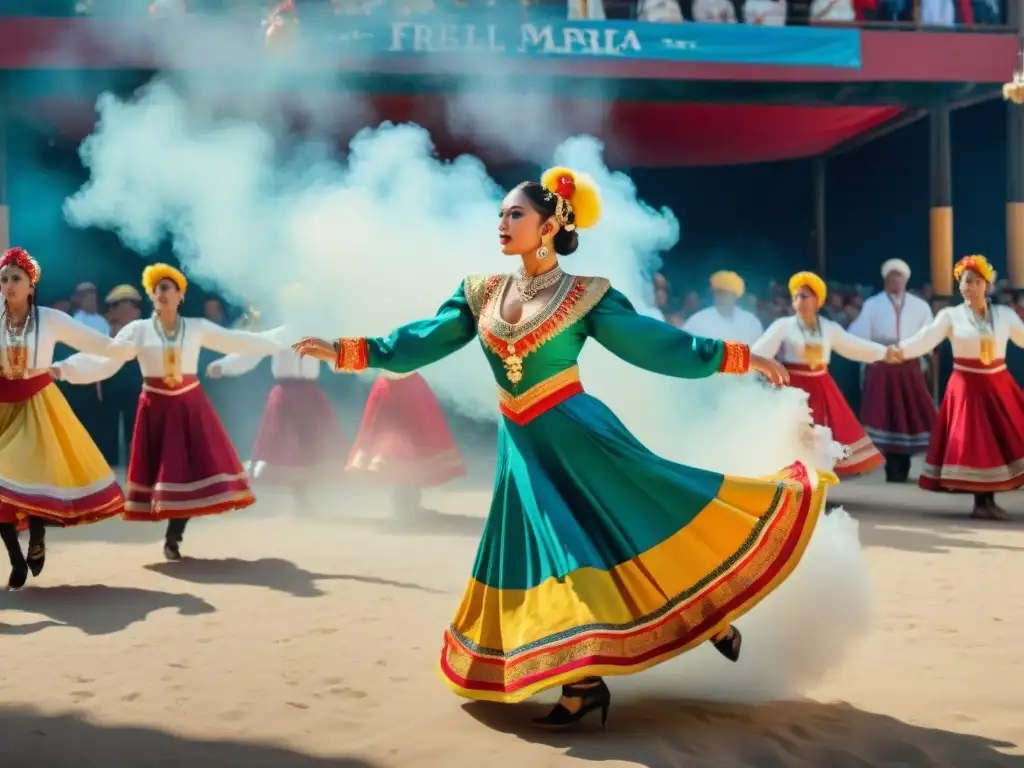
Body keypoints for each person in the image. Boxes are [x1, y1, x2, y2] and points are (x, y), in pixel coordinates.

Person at [293, 166, 836, 728]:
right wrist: (349, 351)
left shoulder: (586, 295)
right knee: (561, 554)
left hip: (580, 435)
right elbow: (421, 341)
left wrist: (738, 357)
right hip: (523, 448)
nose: (502, 222)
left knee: (624, 528)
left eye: (515, 214)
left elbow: (656, 346)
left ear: (548, 225)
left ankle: (676, 626)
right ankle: (590, 676)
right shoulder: (479, 292)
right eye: (500, 214)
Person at [55, 263, 285, 560]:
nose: (161, 293)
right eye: (156, 288)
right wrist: (64, 368)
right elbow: (108, 357)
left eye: (167, 287)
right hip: (157, 408)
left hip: (190, 407)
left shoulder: (196, 328)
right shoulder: (138, 330)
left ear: (180, 295)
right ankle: (173, 534)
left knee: (188, 473)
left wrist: (286, 340)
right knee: (169, 474)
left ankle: (174, 536)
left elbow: (240, 341)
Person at [0, 248, 134, 589]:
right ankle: (15, 558)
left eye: (16, 278)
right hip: (2, 405)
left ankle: (38, 536)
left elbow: (102, 346)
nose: (9, 284)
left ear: (32, 284)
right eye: (4, 279)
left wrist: (136, 342)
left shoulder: (50, 319)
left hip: (36, 405)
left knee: (27, 477)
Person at [896, 255, 1024, 520]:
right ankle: (982, 502)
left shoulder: (1004, 315)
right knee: (978, 443)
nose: (970, 287)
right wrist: (896, 352)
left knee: (1003, 440)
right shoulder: (951, 316)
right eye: (966, 282)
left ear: (987, 285)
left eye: (976, 282)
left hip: (998, 383)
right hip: (967, 387)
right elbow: (925, 339)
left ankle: (988, 500)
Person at [752, 271, 897, 477]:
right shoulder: (783, 326)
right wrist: (738, 361)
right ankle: (793, 481)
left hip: (820, 387)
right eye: (795, 297)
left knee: (822, 436)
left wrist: (884, 352)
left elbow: (853, 346)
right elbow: (760, 350)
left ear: (817, 300)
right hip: (792, 389)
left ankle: (816, 482)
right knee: (791, 435)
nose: (798, 301)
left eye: (804, 296)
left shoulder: (829, 328)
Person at [206, 298, 347, 493]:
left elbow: (336, 356)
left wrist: (360, 362)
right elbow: (252, 350)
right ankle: (295, 496)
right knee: (285, 445)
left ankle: (303, 495)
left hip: (310, 396)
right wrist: (223, 366)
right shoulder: (281, 334)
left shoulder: (317, 335)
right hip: (287, 397)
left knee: (310, 445)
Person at [848, 259, 936, 483]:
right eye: (890, 278)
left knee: (907, 414)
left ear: (905, 280)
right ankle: (892, 466)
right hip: (882, 367)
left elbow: (930, 335)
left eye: (898, 277)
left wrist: (908, 349)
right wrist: (878, 350)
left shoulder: (920, 306)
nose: (894, 281)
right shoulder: (873, 304)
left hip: (909, 366)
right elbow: (857, 333)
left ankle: (902, 463)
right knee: (884, 414)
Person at [346, 370, 467, 514]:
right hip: (403, 387)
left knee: (411, 445)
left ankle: (406, 501)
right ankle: (405, 503)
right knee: (406, 444)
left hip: (397, 384)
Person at [102, 284, 145, 468]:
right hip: (111, 380)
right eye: (127, 304)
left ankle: (134, 466)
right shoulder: (105, 326)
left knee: (134, 426)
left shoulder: (142, 328)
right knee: (109, 424)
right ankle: (110, 465)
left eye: (134, 305)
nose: (132, 309)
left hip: (135, 381)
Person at [682, 270, 764, 345]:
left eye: (727, 294)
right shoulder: (698, 321)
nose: (722, 298)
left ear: (736, 296)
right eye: (718, 293)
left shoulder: (751, 322)